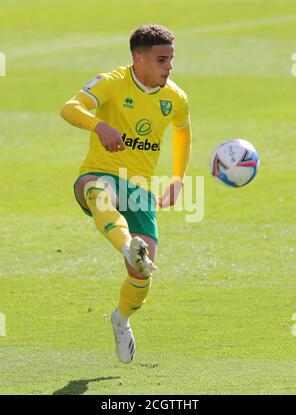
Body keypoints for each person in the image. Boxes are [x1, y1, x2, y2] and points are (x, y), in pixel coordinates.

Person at [60, 24, 191, 364]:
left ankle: (121, 319)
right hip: (100, 173)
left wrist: (178, 177)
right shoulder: (113, 82)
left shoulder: (174, 98)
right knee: (98, 192)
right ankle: (125, 246)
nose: (169, 67)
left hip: (141, 189)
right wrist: (98, 125)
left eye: (171, 60)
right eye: (162, 59)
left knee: (143, 272)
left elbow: (182, 132)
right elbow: (70, 107)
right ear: (138, 58)